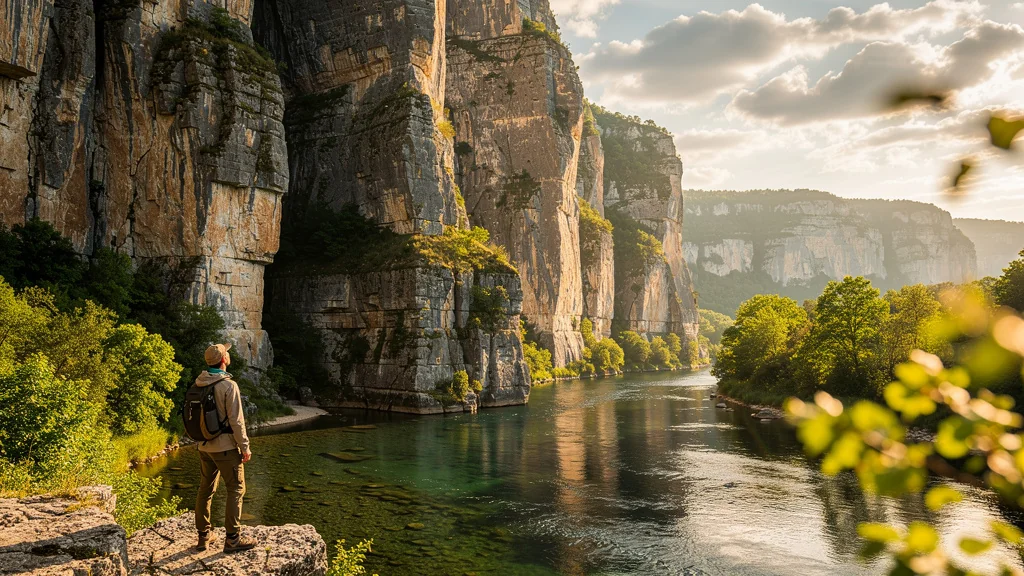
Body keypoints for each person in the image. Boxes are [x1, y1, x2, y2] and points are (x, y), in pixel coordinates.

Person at [193, 343, 256, 553]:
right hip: (226, 448)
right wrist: (245, 447)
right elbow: (237, 422)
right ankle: (232, 540)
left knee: (205, 490)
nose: (228, 355)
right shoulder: (229, 386)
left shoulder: (198, 383)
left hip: (204, 447)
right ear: (223, 360)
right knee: (236, 489)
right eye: (226, 352)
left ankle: (203, 537)